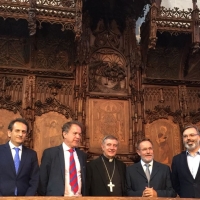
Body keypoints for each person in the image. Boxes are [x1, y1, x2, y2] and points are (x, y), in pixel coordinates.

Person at [38, 120, 87, 196]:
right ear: (65, 134)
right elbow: (42, 180)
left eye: (80, 134)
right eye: (75, 133)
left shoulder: (82, 155)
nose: (78, 137)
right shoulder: (50, 153)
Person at [0, 118, 39, 196]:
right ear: (9, 133)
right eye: (17, 131)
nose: (21, 134)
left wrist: (27, 198)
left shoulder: (31, 154)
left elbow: (35, 179)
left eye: (23, 132)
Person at [171, 125, 200, 198]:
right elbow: (175, 183)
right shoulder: (177, 160)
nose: (188, 138)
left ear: (199, 137)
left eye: (192, 135)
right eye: (185, 136)